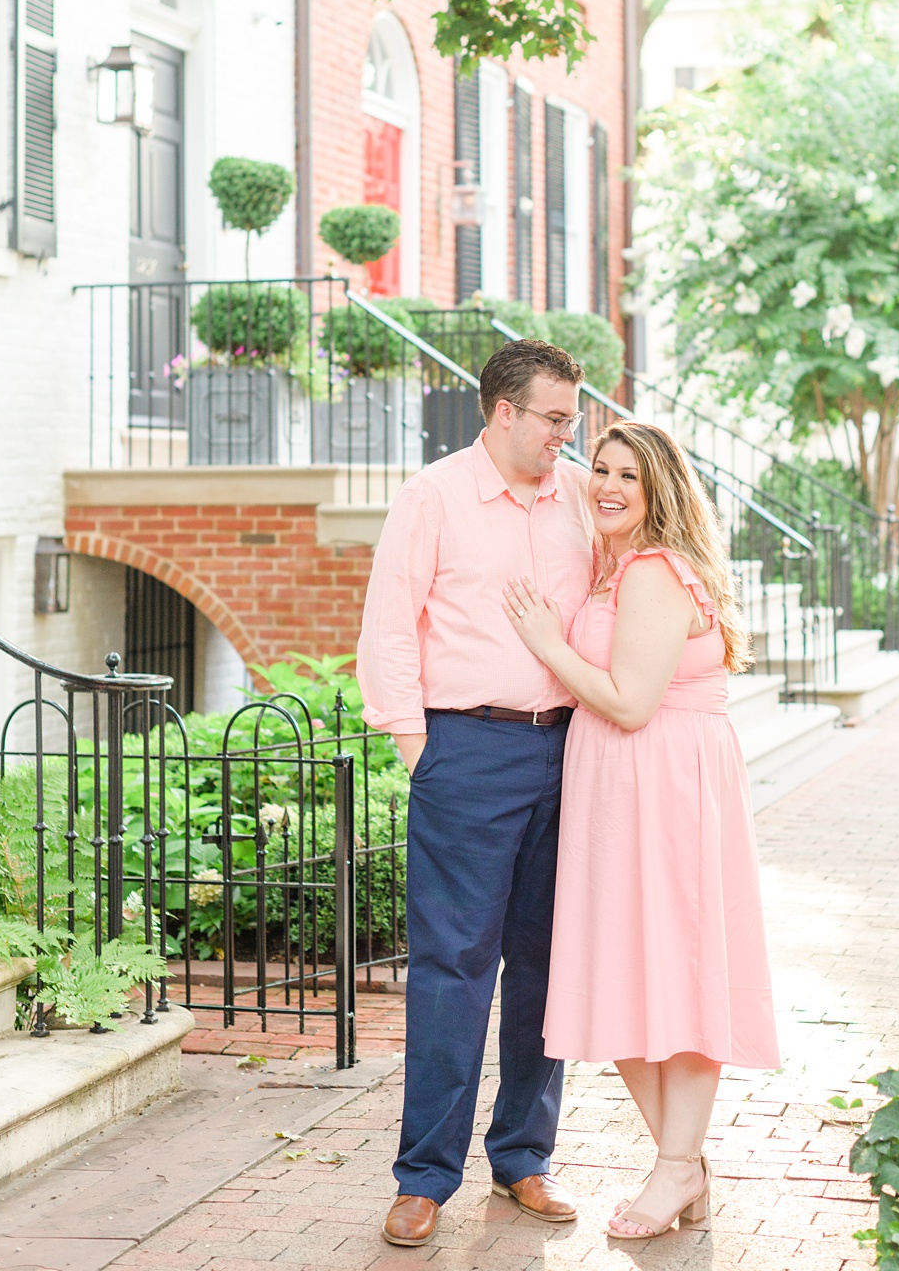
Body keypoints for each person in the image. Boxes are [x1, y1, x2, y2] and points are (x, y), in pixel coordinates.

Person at [500, 420, 780, 1239]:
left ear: (661, 489)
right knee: (623, 978)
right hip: (617, 791)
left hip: (663, 788)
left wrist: (549, 645)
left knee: (680, 978)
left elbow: (628, 701)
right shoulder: (612, 566)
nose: (609, 485)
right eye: (602, 470)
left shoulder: (655, 572)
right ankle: (680, 1161)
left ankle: (672, 1167)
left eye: (630, 474)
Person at [356, 338, 595, 1248]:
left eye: (571, 420)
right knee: (455, 967)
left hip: (568, 749)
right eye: (554, 419)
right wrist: (423, 750)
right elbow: (389, 628)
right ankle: (424, 1177)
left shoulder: (579, 496)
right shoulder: (433, 497)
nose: (566, 437)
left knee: (546, 964)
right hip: (465, 749)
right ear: (502, 412)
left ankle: (525, 1159)